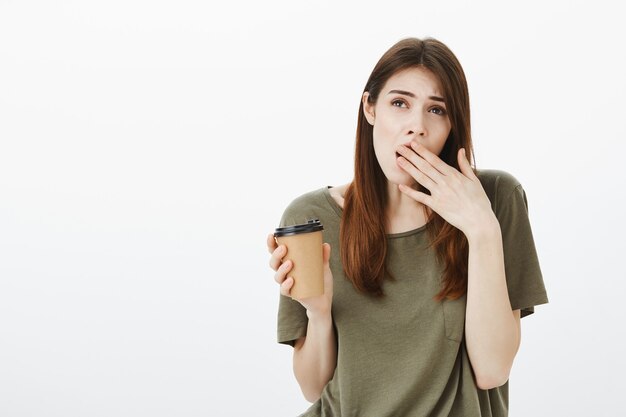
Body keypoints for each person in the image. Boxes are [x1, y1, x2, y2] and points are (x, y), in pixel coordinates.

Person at [266, 37, 548, 417]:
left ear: (453, 125)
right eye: (400, 103)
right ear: (370, 109)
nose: (416, 127)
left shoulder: (497, 199)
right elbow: (312, 386)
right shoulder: (309, 217)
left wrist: (481, 231)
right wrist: (317, 312)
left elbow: (492, 369)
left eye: (437, 110)